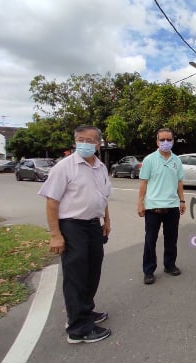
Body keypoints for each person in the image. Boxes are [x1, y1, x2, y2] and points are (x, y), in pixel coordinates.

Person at [38, 125, 112, 344]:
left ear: (99, 144)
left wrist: (106, 219)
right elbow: (52, 201)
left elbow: (103, 196)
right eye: (81, 139)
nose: (85, 144)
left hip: (93, 225)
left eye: (90, 140)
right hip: (72, 226)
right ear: (75, 141)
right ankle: (78, 329)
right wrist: (55, 234)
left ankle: (85, 311)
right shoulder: (64, 167)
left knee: (92, 271)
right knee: (76, 276)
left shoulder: (100, 167)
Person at [137, 128, 186, 285]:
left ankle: (169, 265)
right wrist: (140, 202)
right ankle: (149, 270)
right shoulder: (149, 160)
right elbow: (143, 183)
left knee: (171, 238)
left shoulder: (176, 161)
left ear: (173, 141)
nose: (166, 142)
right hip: (153, 207)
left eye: (169, 139)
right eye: (162, 140)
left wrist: (182, 201)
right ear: (157, 142)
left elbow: (179, 182)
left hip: (172, 206)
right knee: (150, 240)